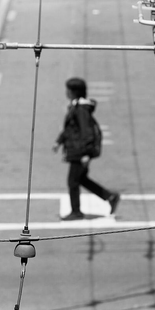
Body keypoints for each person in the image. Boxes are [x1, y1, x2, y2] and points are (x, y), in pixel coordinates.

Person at [52, 77, 121, 221]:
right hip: (77, 150)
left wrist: (86, 154)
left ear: (73, 92)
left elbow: (86, 133)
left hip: (80, 152)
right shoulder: (76, 107)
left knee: (73, 181)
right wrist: (59, 142)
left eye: (68, 90)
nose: (66, 92)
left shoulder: (81, 110)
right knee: (81, 179)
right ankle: (110, 196)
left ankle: (76, 212)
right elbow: (71, 129)